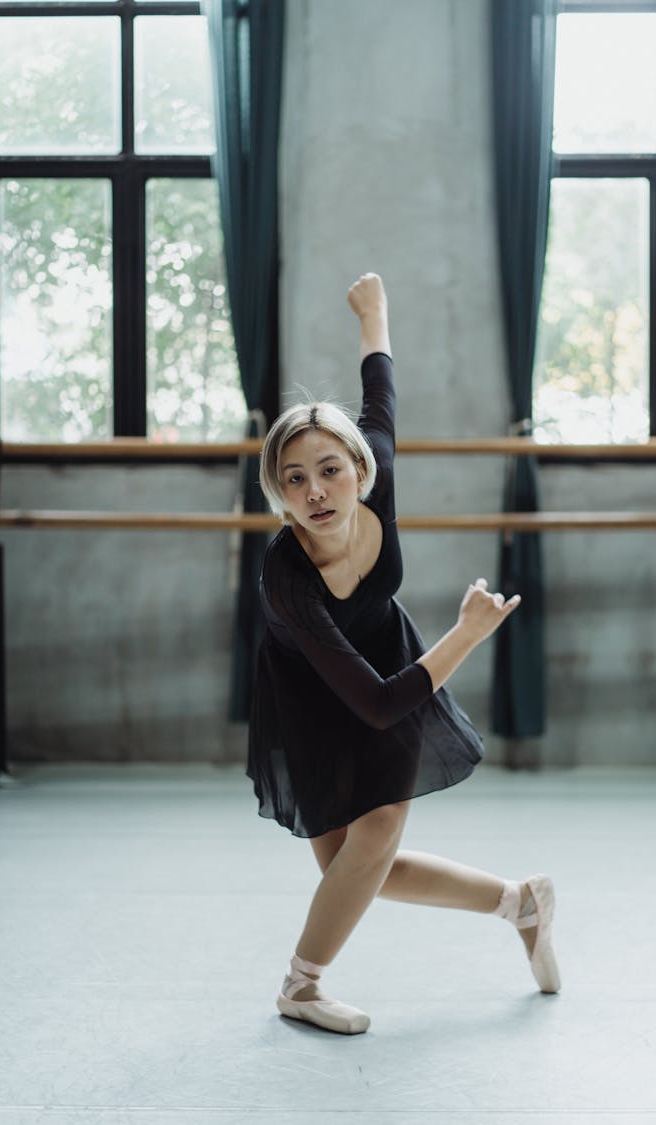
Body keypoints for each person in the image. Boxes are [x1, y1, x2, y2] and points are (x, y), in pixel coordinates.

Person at [247, 273, 560, 1035]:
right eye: (295, 479)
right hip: (316, 695)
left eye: (329, 469)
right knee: (351, 869)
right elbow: (373, 702)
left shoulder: (373, 478)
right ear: (281, 496)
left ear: (359, 468)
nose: (317, 490)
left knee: (378, 833)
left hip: (394, 660)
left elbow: (379, 387)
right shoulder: (286, 577)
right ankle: (521, 902)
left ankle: (301, 984)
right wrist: (469, 633)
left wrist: (374, 310)